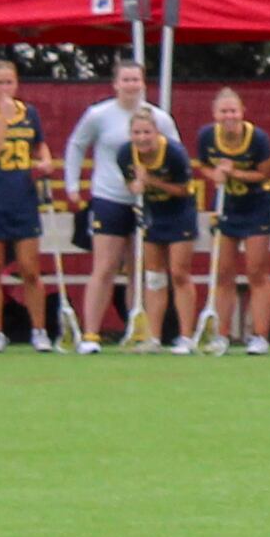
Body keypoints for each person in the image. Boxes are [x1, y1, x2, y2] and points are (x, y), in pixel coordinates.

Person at [62, 59, 181, 355]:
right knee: (104, 267)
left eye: (135, 80)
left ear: (143, 83)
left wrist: (156, 184)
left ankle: (138, 331)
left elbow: (174, 153)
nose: (131, 85)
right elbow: (77, 145)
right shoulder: (98, 115)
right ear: (115, 84)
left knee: (139, 270)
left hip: (147, 201)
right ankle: (91, 334)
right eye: (125, 80)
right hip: (109, 198)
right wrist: (72, 184)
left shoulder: (159, 118)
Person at [0, 59, 56, 352]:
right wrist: (4, 120)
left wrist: (45, 161)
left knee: (30, 269)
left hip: (24, 198)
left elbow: (39, 144)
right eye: (0, 83)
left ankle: (39, 330)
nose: (5, 88)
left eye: (9, 82)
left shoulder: (30, 113)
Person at [196, 87, 270, 355]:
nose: (229, 116)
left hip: (255, 206)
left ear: (242, 112)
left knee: (256, 271)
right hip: (226, 206)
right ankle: (222, 334)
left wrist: (235, 173)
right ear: (214, 114)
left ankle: (260, 335)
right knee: (223, 273)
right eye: (223, 111)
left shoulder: (258, 139)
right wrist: (215, 175)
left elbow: (264, 173)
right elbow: (204, 165)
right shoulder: (207, 136)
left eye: (233, 111)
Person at [128, 106, 201, 354]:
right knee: (154, 276)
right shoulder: (125, 154)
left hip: (180, 214)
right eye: (137, 133)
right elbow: (131, 184)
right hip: (153, 215)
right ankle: (154, 337)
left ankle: (186, 337)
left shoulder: (174, 153)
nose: (142, 138)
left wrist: (152, 181)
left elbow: (183, 189)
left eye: (146, 132)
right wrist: (136, 186)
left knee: (179, 273)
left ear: (156, 132)